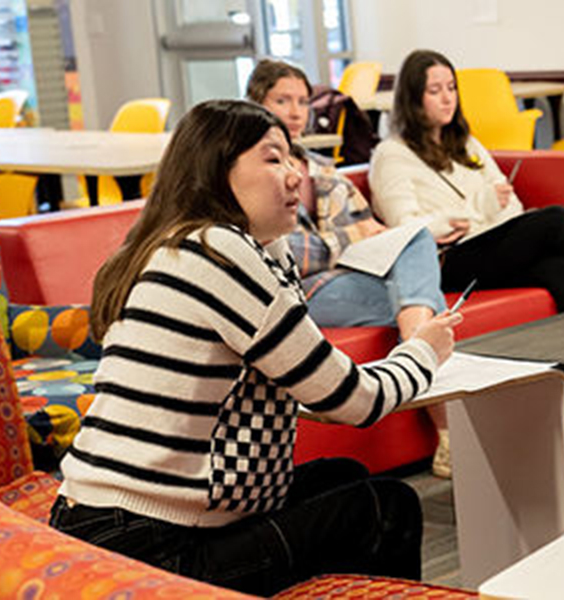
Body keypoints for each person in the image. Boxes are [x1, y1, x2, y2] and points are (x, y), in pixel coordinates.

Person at [49, 99, 462, 597]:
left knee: (344, 477)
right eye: (272, 158)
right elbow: (353, 401)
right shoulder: (218, 252)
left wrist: (276, 241)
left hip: (105, 518)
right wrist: (421, 349)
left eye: (293, 159)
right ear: (217, 171)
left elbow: (302, 373)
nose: (294, 176)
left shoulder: (179, 244)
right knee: (386, 507)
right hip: (146, 543)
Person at [369, 49, 564, 427]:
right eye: (435, 90)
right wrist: (477, 207)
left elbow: (511, 202)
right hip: (446, 261)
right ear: (413, 98)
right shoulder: (391, 155)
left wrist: (485, 211)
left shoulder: (466, 144)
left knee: (561, 272)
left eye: (451, 88)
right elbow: (407, 229)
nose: (448, 98)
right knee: (556, 220)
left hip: (489, 246)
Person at [246, 59, 454, 478]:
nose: (295, 111)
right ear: (257, 104)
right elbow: (283, 252)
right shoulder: (250, 173)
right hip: (300, 295)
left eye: (303, 101)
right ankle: (441, 411)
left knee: (415, 239)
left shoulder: (321, 167)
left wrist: (377, 238)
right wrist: (339, 243)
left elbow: (365, 229)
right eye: (282, 100)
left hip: (343, 279)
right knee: (422, 298)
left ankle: (417, 347)